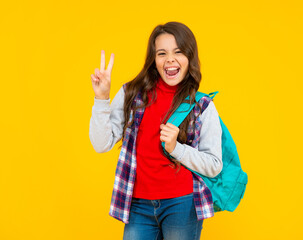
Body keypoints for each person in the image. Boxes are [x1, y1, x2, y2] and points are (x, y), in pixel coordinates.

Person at [89, 21, 223, 240]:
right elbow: (100, 144)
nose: (169, 59)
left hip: (182, 204)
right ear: (154, 60)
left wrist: (177, 149)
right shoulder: (132, 94)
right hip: (138, 205)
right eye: (162, 53)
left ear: (190, 58)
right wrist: (102, 98)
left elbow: (214, 165)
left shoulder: (202, 105)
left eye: (178, 52)